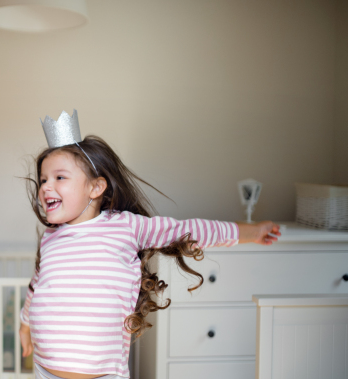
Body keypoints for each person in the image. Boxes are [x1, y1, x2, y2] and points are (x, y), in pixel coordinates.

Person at [19, 110, 281, 379]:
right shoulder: (51, 238)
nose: (46, 187)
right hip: (44, 370)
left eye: (59, 177)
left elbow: (188, 231)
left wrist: (251, 232)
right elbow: (37, 286)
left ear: (95, 187)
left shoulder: (126, 227)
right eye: (43, 179)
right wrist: (25, 325)